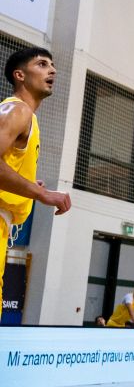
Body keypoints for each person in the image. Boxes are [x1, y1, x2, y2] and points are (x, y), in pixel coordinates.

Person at [0, 48, 71, 299]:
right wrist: (41, 194)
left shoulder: (28, 118)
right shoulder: (17, 110)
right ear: (19, 75)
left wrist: (27, 183)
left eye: (52, 65)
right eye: (42, 64)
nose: (52, 70)